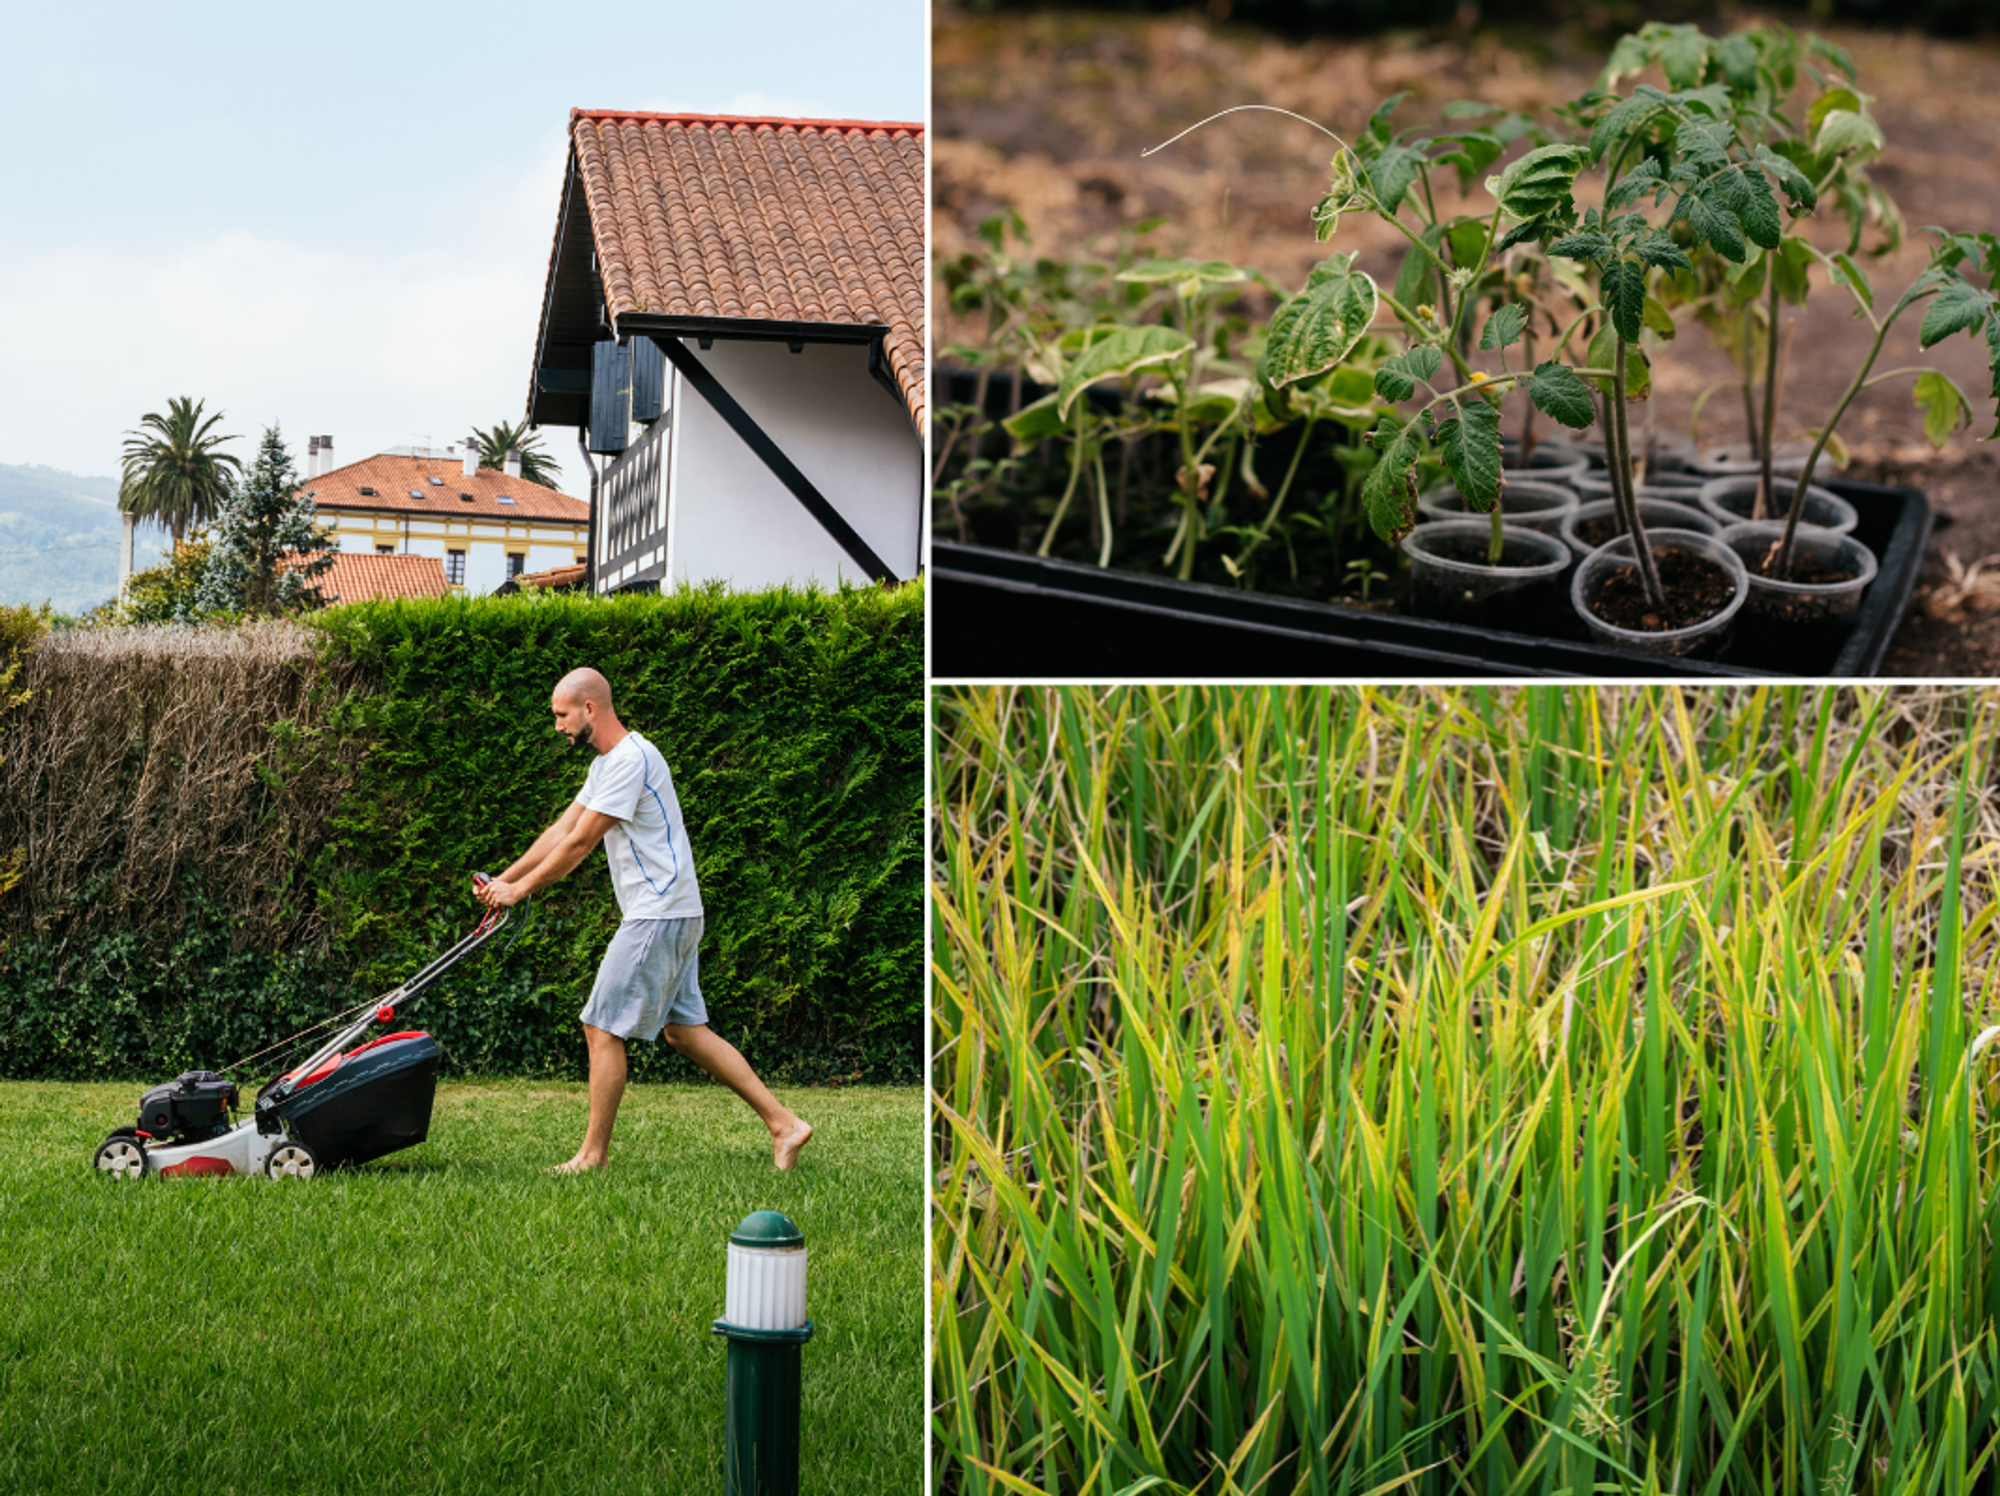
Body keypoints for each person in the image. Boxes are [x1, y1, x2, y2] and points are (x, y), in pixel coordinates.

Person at [475, 667, 813, 1174]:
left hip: (658, 914)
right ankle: (785, 1125)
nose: (557, 726)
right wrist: (502, 880)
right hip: (674, 910)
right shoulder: (608, 764)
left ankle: (592, 1156)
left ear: (590, 709)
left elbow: (581, 843)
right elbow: (559, 829)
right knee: (685, 1032)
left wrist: (520, 891)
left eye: (561, 715)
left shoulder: (632, 760)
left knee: (599, 1025)